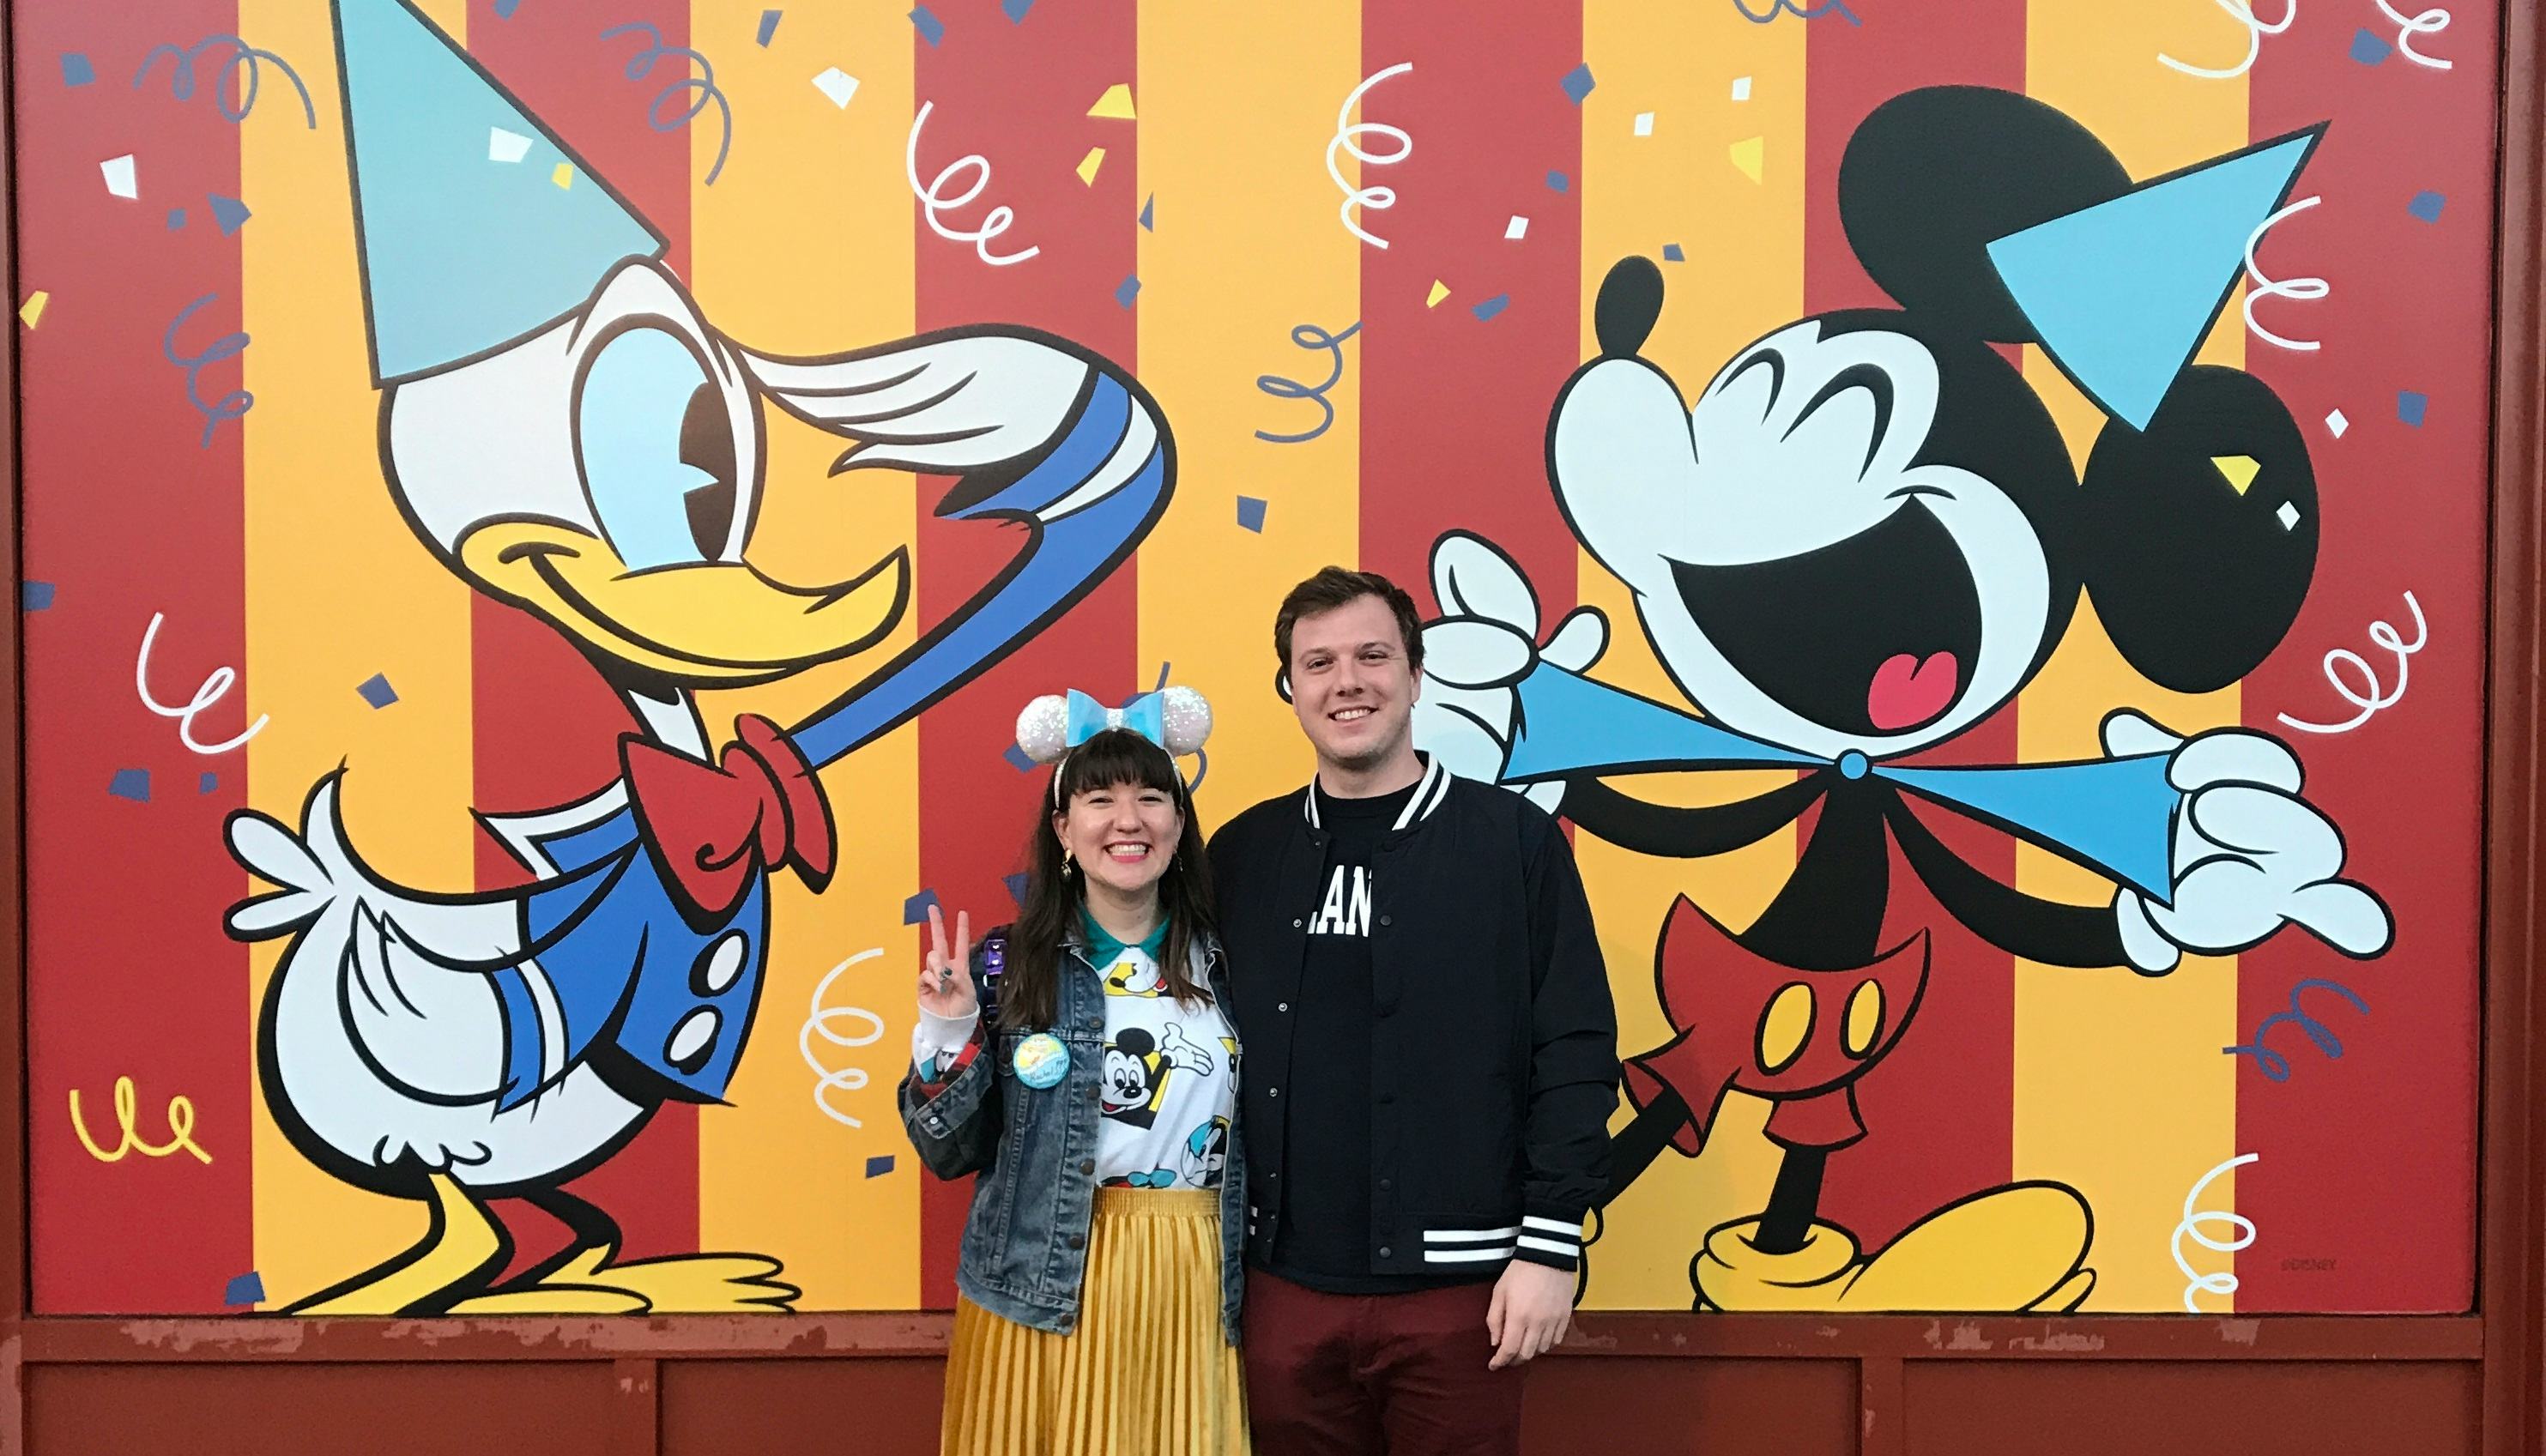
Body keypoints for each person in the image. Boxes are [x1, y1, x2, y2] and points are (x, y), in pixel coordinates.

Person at [1208, 567, 1620, 1455]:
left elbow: (1576, 1048)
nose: (1346, 682)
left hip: (1463, 1289)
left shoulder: (1512, 842)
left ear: (1416, 673)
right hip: (1280, 1287)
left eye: (1372, 655)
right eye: (1318, 662)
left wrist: (1551, 1245)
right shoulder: (1241, 853)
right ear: (1290, 687)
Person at [901, 687, 1246, 1456]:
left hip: (1192, 1272)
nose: (1128, 820)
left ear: (1178, 821)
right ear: (1063, 827)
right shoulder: (1004, 964)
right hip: (1041, 1277)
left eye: (1150, 797)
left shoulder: (1231, 962)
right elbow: (947, 1152)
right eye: (1099, 800)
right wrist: (948, 1029)